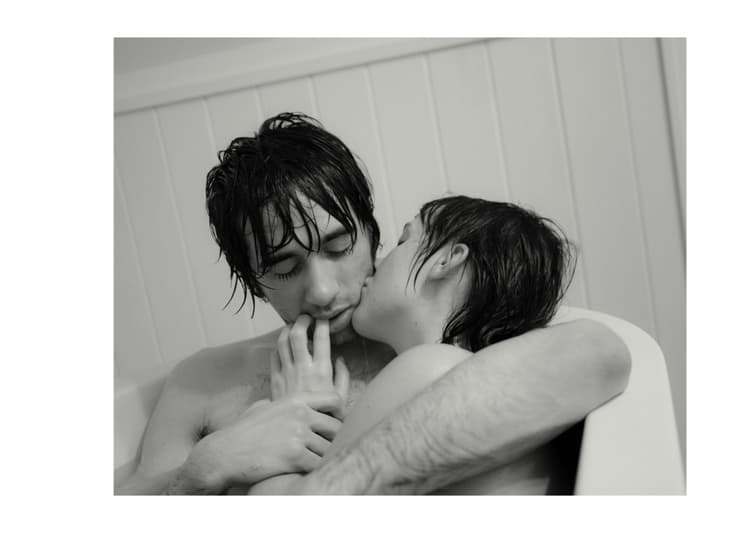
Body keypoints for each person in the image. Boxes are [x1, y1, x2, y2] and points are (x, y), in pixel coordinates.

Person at [115, 113, 630, 495]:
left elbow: (596, 354)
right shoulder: (202, 382)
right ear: (254, 281)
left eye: (339, 247)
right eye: (285, 268)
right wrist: (204, 469)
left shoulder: (448, 347)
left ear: (372, 231)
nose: (321, 291)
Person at [250, 195, 597, 494]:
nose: (378, 264)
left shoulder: (430, 369)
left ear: (446, 260)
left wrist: (288, 416)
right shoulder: (463, 375)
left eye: (404, 241)